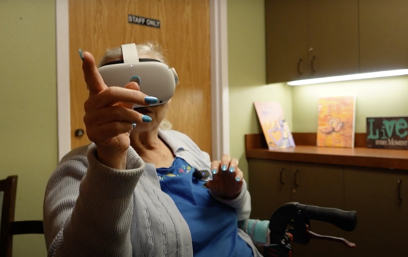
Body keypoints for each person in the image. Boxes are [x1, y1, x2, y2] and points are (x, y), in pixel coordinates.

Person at [43, 42, 262, 257]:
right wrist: (111, 159)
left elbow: (241, 217)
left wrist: (232, 195)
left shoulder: (182, 142)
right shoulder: (79, 167)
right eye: (119, 84)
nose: (136, 93)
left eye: (153, 81)